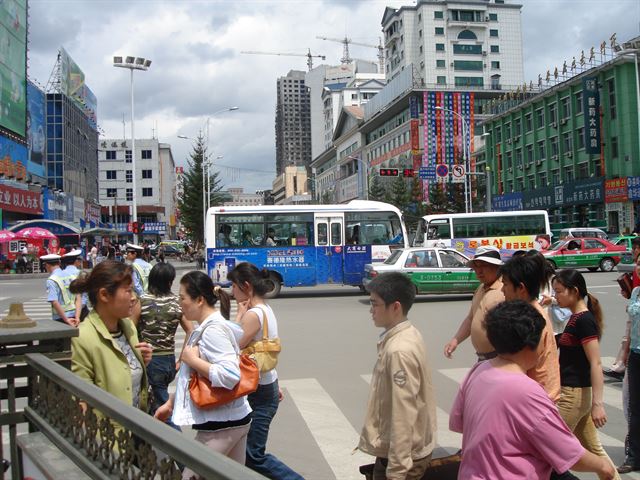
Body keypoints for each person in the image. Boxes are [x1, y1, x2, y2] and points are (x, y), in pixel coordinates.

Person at [449, 300, 616, 480]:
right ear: (532, 345)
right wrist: (604, 466)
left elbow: (459, 422)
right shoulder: (527, 391)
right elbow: (569, 453)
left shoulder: (478, 371)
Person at [154, 271, 252, 474]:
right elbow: (193, 378)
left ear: (199, 300)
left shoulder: (212, 330)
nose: (180, 303)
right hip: (232, 420)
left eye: (182, 298)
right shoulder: (209, 327)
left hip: (221, 426)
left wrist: (192, 360)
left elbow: (230, 376)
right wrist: (171, 403)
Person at [227, 262, 303, 480]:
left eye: (234, 286)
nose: (232, 291)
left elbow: (232, 345)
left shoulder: (253, 315)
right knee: (243, 453)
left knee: (253, 456)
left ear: (246, 286)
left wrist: (239, 316)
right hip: (264, 386)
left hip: (259, 392)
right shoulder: (266, 309)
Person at [358, 272, 436, 480]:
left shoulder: (399, 350)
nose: (371, 310)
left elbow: (403, 412)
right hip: (399, 451)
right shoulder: (407, 333)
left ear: (395, 307)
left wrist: (397, 470)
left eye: (375, 304)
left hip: (402, 458)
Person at [553, 269, 620, 479]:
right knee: (595, 449)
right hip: (575, 394)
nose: (556, 296)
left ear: (574, 291)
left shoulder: (583, 320)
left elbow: (596, 362)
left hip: (573, 396)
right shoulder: (575, 318)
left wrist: (598, 404)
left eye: (559, 291)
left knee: (552, 447)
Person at [69, 261, 152, 430]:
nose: (133, 297)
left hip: (139, 432)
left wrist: (142, 361)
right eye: (128, 291)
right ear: (104, 295)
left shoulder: (128, 327)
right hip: (110, 440)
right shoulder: (83, 337)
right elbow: (80, 399)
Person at [131, 262, 193, 427]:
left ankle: (177, 443)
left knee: (162, 405)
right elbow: (191, 330)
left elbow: (131, 328)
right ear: (168, 282)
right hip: (169, 361)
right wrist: (181, 360)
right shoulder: (176, 302)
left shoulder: (142, 300)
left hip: (149, 360)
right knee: (154, 401)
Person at [500, 254, 561, 401]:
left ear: (521, 288)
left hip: (536, 403)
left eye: (505, 284)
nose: (502, 290)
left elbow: (516, 368)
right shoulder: (530, 312)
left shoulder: (531, 321)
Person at [444, 245, 505, 361]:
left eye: (484, 266)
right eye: (476, 266)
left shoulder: (504, 290)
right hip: (482, 359)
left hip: (499, 358)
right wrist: (455, 340)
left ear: (496, 267)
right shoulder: (481, 288)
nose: (479, 271)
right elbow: (470, 318)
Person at [618, 253, 640, 473]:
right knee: (635, 407)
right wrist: (624, 355)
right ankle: (633, 457)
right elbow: (630, 325)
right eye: (639, 263)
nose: (639, 266)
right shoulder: (635, 291)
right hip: (636, 354)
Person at [41, 253, 80, 326]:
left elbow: (55, 302)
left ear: (47, 265)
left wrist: (66, 320)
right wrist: (77, 317)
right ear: (59, 263)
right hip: (74, 315)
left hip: (61, 318)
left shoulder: (51, 280)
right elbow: (78, 298)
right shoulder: (71, 277)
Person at [63, 249, 89, 321]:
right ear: (76, 261)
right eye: (80, 260)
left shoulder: (60, 274)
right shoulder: (82, 274)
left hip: (65, 312)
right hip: (81, 311)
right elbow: (84, 296)